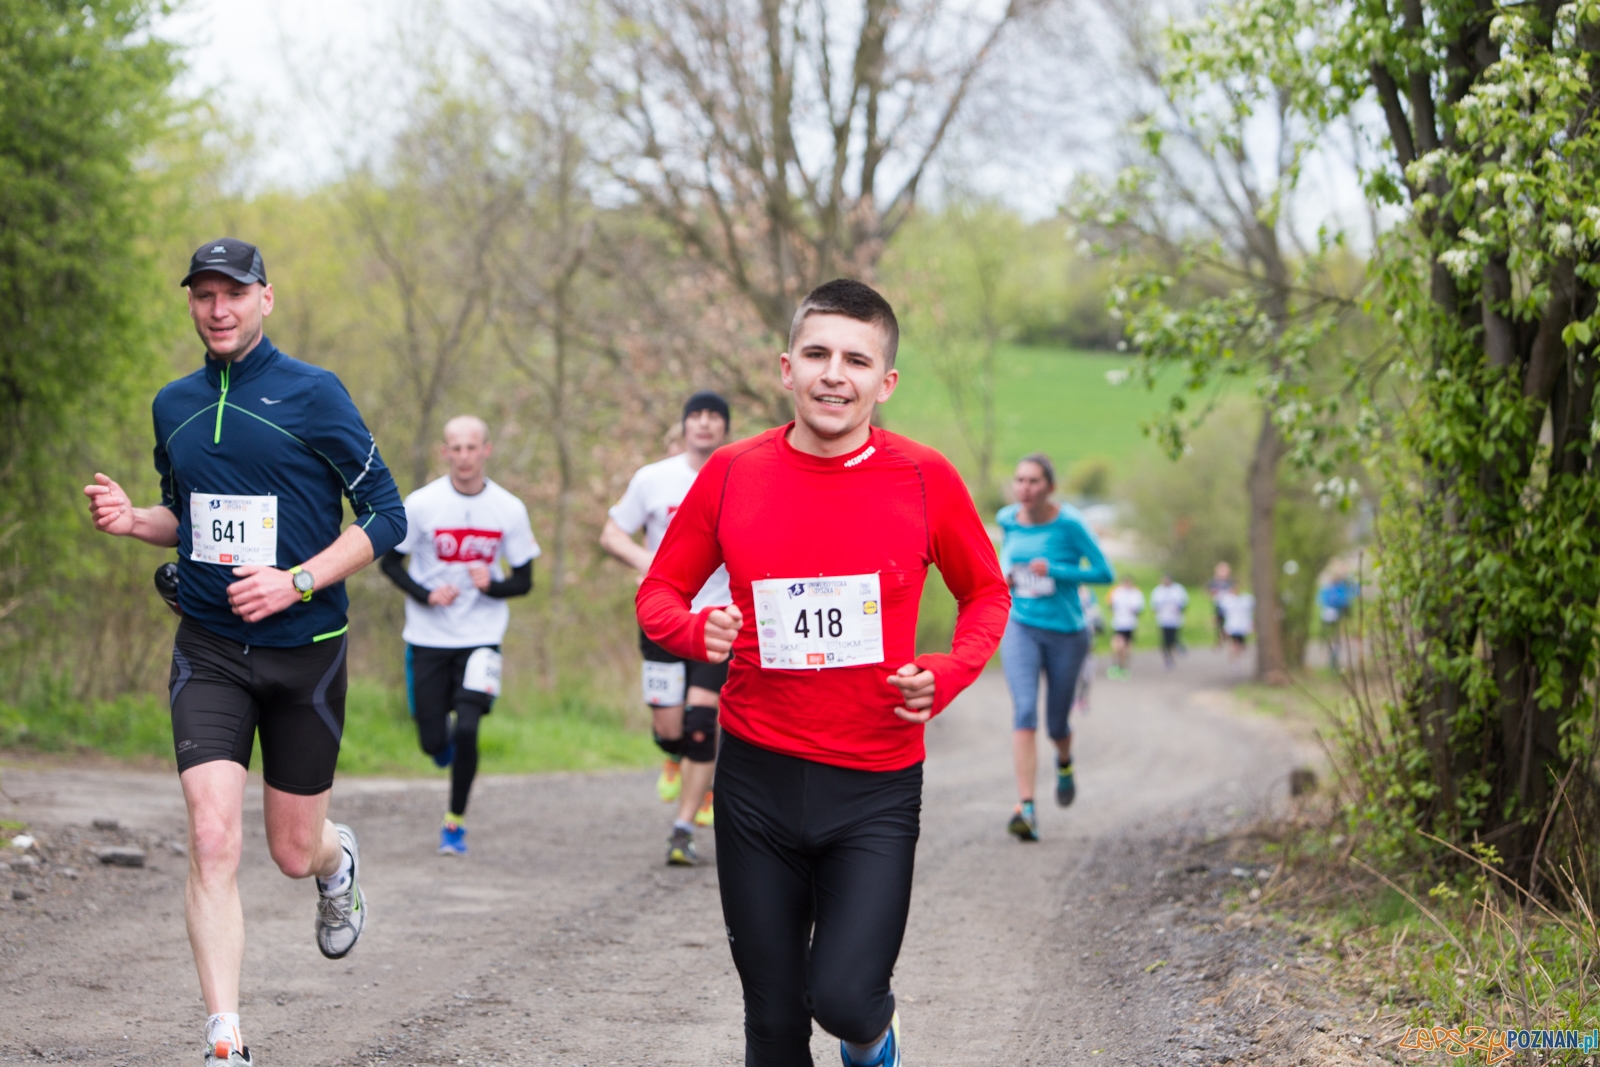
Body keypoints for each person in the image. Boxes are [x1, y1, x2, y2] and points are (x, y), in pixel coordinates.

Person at [637, 280, 1009, 1067]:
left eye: (856, 359)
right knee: (772, 1024)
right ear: (786, 368)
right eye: (817, 354)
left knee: (842, 997)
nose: (834, 373)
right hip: (756, 782)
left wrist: (946, 672)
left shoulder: (922, 476)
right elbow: (658, 593)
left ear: (886, 381)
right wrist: (701, 628)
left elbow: (986, 593)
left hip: (873, 782)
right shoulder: (735, 472)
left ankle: (874, 1039)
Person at [83, 239, 406, 1067]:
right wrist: (133, 522)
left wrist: (298, 580)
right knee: (211, 833)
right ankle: (225, 1035)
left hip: (306, 651)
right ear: (191, 305)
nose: (218, 308)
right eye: (203, 295)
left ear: (267, 298)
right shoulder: (173, 404)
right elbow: (181, 516)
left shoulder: (315, 393)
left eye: (233, 292)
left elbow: (385, 516)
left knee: (292, 851)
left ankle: (339, 861)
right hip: (212, 648)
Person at [380, 416, 539, 855]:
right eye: (457, 448)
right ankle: (443, 752)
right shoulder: (422, 504)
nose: (465, 456)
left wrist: (493, 583)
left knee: (467, 727)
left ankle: (454, 824)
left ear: (486, 450)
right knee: (434, 739)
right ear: (444, 453)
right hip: (429, 638)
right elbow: (390, 564)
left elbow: (524, 581)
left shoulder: (509, 509)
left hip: (482, 637)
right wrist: (427, 593)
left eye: (473, 447)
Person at [600, 392, 733, 866]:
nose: (704, 424)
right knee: (669, 727)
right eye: (696, 416)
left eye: (714, 417)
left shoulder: (737, 478)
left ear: (724, 429)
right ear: (684, 426)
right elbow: (612, 533)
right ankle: (673, 755)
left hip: (717, 619)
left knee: (702, 725)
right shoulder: (654, 479)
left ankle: (683, 828)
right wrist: (648, 562)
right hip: (663, 615)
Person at [996, 454, 1113, 843]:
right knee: (1025, 711)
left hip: (1066, 632)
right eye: (1019, 480)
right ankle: (1026, 808)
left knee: (1057, 723)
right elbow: (1003, 560)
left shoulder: (1071, 524)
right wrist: (1006, 579)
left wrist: (1058, 571)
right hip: (1021, 626)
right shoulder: (1007, 519)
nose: (1024, 489)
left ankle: (1064, 762)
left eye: (1033, 481)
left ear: (1050, 487)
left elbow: (1104, 573)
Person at [1107, 575, 1145, 679]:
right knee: (1118, 646)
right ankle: (1117, 665)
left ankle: (1123, 666)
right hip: (1118, 624)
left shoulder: (1136, 594)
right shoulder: (1116, 592)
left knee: (1127, 648)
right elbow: (1110, 605)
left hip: (1130, 624)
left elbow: (1139, 609)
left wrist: (1133, 611)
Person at [1150, 574, 1190, 669]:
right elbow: (1154, 606)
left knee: (1173, 638)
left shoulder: (1178, 589)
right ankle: (1168, 659)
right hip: (1163, 620)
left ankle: (1178, 648)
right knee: (1165, 640)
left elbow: (1184, 603)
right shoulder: (1158, 591)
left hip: (1175, 620)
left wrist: (1178, 610)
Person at [1220, 586, 1256, 659]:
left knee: (1241, 645)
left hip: (1241, 626)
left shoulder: (1245, 599)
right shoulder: (1227, 600)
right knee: (1234, 643)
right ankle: (1234, 660)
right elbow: (1221, 614)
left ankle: (1236, 659)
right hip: (1232, 626)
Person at [1206, 561, 1236, 646]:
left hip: (1229, 605)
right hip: (1218, 604)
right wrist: (1212, 593)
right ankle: (1219, 638)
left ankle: (1227, 637)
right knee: (1218, 621)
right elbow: (1208, 591)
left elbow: (1235, 590)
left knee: (1229, 622)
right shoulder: (1214, 581)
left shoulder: (1230, 581)